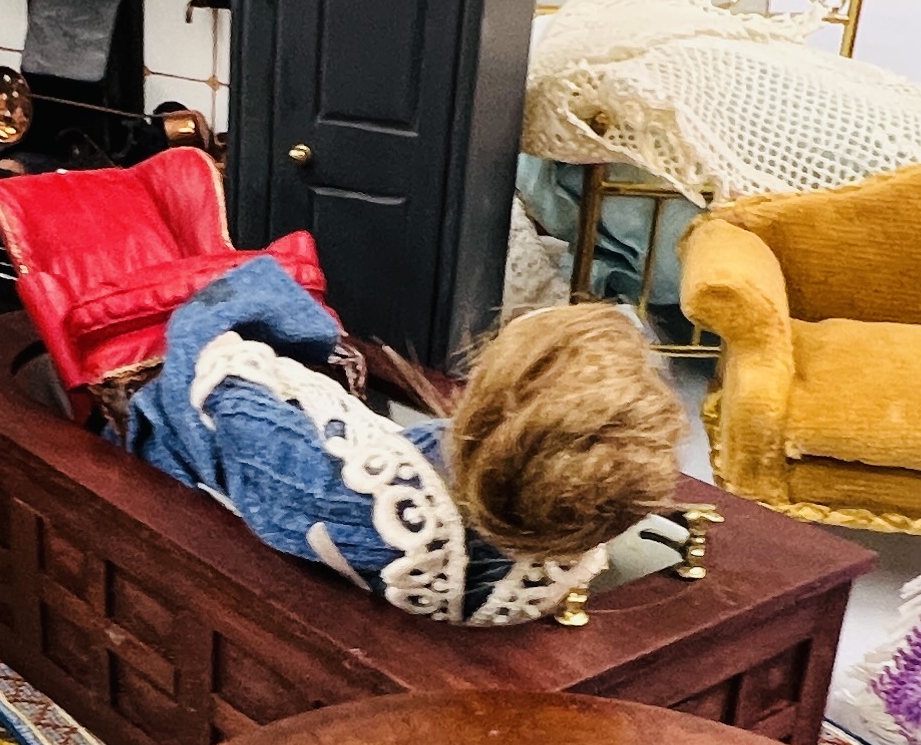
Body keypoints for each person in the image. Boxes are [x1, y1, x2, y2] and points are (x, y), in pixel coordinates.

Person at [124, 259, 684, 626]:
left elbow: (206, 371)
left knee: (226, 330)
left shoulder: (339, 482)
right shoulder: (571, 517)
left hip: (207, 477)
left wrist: (278, 322)